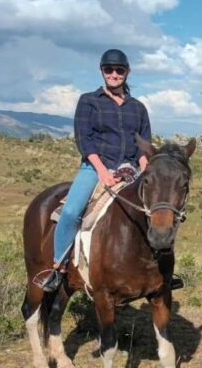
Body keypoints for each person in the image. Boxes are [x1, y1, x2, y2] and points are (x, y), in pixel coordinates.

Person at [40, 49, 151, 292]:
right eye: (108, 69)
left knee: (158, 211)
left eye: (119, 70)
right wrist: (102, 171)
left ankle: (158, 272)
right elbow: (84, 140)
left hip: (130, 169)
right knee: (70, 212)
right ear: (102, 71)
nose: (114, 74)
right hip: (96, 167)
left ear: (127, 72)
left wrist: (146, 171)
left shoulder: (138, 108)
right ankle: (58, 268)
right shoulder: (89, 101)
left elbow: (144, 146)